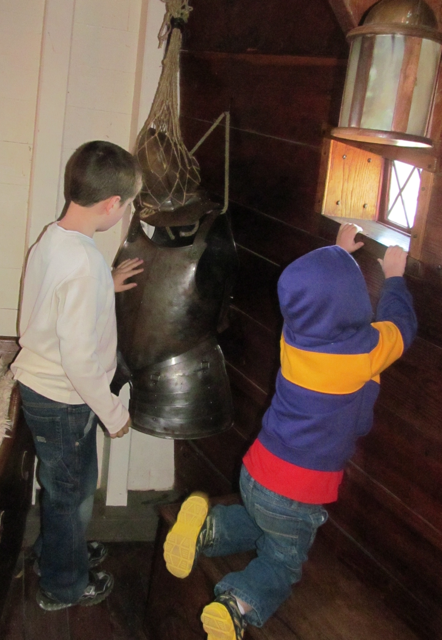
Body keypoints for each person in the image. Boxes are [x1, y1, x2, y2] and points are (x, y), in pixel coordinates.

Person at [163, 223, 417, 640]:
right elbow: (401, 327)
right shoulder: (363, 353)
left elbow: (314, 296)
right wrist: (394, 276)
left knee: (260, 518)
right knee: (283, 559)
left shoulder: (294, 337)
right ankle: (236, 603)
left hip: (257, 470)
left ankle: (206, 527)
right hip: (299, 491)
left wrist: (336, 251)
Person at [11, 140, 143, 611]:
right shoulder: (84, 265)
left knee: (72, 486)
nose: (122, 212)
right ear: (112, 205)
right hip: (66, 398)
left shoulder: (55, 237)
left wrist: (103, 285)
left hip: (52, 391)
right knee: (69, 493)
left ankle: (58, 552)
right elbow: (80, 360)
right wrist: (114, 413)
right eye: (126, 205)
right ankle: (62, 586)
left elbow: (56, 297)